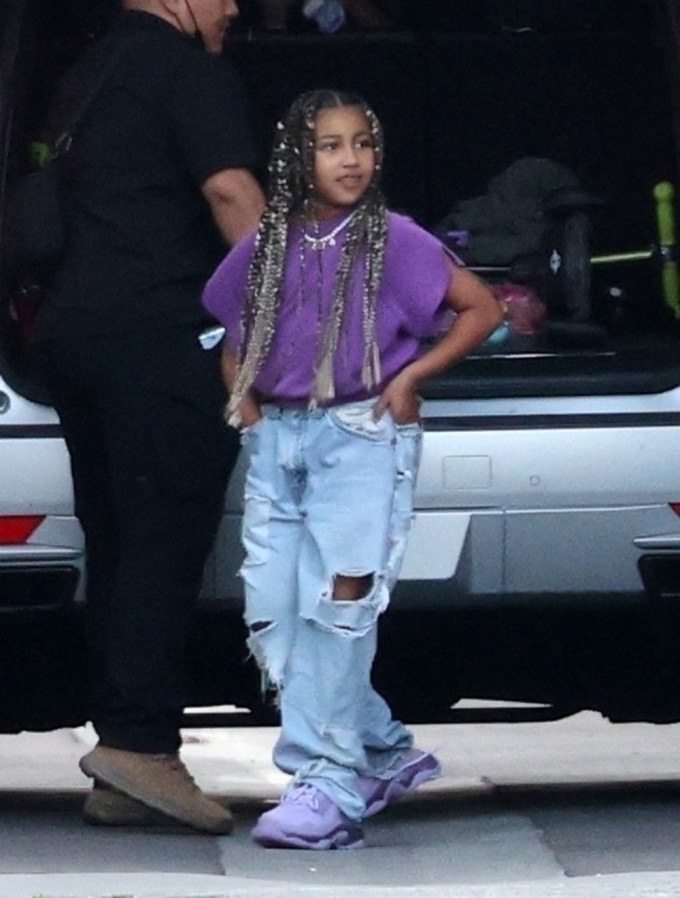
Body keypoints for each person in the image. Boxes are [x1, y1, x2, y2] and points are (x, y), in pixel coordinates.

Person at [201, 89, 502, 849]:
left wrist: (410, 378)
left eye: (363, 143)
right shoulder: (268, 243)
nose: (351, 160)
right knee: (274, 613)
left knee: (339, 605)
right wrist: (247, 408)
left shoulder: (395, 238)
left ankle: (328, 782)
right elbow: (234, 334)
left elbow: (482, 307)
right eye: (331, 145)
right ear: (297, 156)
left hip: (360, 436)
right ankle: (382, 750)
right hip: (281, 441)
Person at [36, 0, 266, 834]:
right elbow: (231, 191)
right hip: (160, 338)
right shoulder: (184, 70)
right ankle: (141, 746)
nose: (235, 7)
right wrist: (287, 320)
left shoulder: (89, 71)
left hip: (76, 336)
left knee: (119, 541)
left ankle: (121, 760)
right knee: (161, 542)